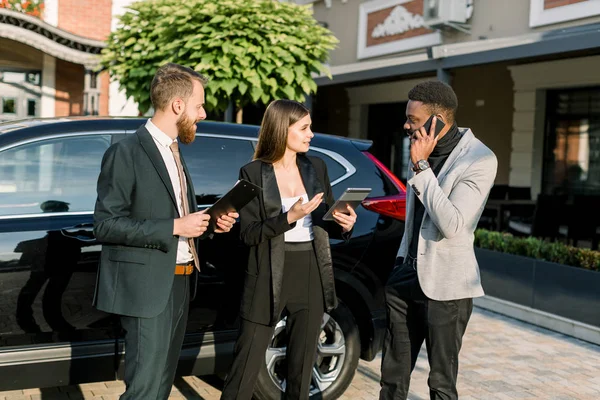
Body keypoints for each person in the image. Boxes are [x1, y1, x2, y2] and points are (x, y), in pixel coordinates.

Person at [93, 63, 238, 400]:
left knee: (160, 387)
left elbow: (178, 216)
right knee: (144, 391)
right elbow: (105, 224)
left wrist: (210, 224)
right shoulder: (125, 152)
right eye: (199, 105)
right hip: (147, 291)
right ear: (177, 105)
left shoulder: (175, 151)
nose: (202, 114)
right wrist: (175, 226)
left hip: (182, 283)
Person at [220, 99, 357, 400]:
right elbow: (249, 234)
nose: (311, 134)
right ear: (283, 130)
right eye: (305, 128)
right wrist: (289, 218)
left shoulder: (316, 167)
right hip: (267, 271)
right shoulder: (253, 172)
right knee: (244, 369)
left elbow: (325, 221)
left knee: (301, 372)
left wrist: (344, 225)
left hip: (310, 270)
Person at [379, 81, 498, 400]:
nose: (406, 125)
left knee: (441, 383)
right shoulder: (421, 148)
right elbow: (416, 214)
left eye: (413, 120)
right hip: (406, 277)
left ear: (437, 121)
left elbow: (452, 224)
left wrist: (421, 166)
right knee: (391, 377)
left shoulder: (480, 159)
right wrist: (400, 263)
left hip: (447, 287)